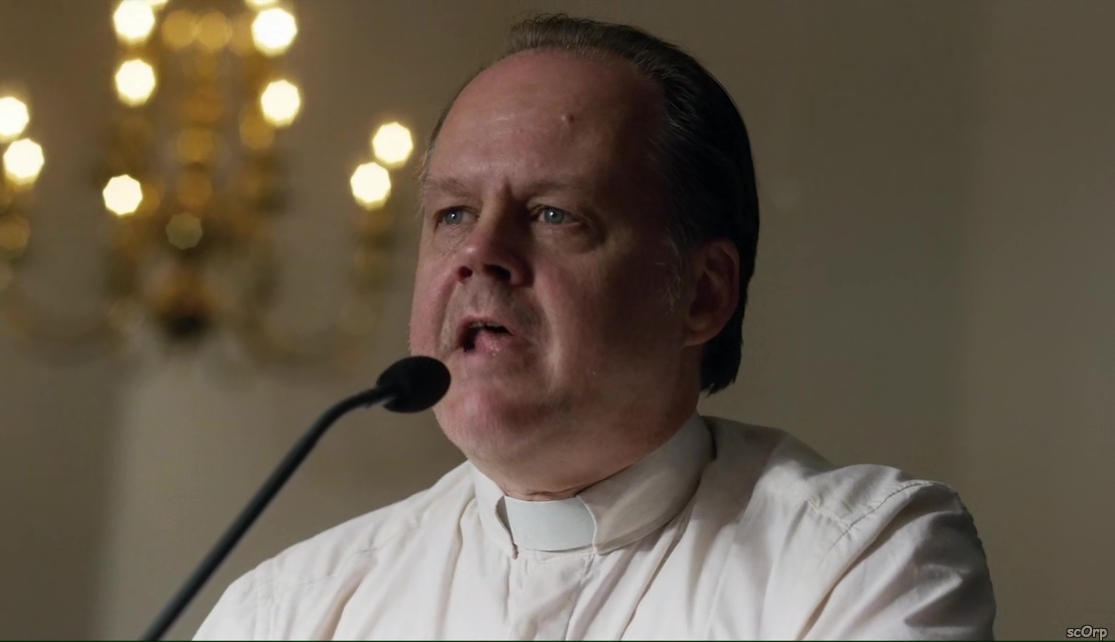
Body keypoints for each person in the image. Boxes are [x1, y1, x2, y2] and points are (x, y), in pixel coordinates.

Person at [196, 13, 995, 640]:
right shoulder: (287, 611)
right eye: (453, 213)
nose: (479, 254)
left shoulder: (855, 559)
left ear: (702, 293)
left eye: (554, 214)